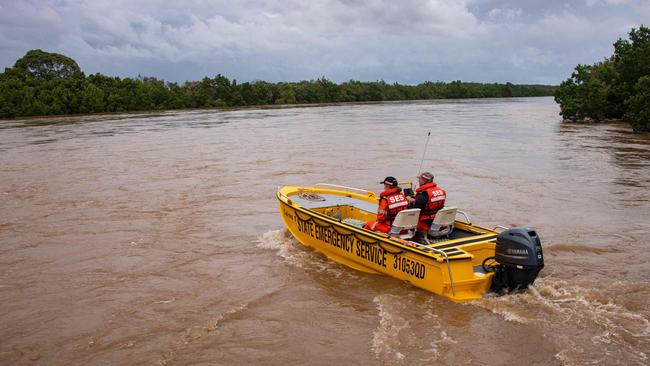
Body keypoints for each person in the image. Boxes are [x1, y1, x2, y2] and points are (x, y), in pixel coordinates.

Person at [406, 172, 446, 242]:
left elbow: (415, 211)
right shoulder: (441, 191)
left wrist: (410, 201)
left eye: (420, 179)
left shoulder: (423, 194)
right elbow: (430, 203)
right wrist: (415, 200)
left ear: (424, 181)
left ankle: (418, 238)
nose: (418, 181)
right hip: (437, 219)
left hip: (425, 222)